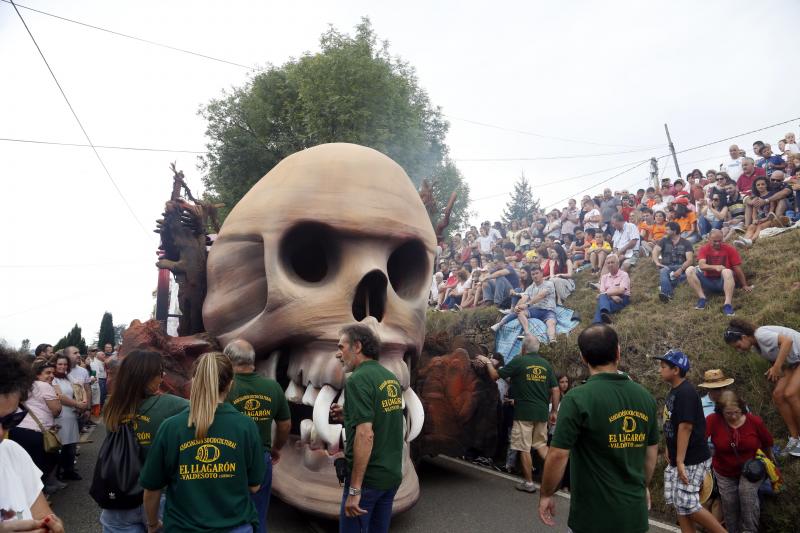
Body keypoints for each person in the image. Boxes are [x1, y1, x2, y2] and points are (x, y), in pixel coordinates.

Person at [538, 324, 659, 532]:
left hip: (592, 519)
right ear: (618, 352)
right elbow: (650, 455)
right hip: (634, 517)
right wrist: (642, 486)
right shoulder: (645, 398)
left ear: (583, 357)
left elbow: (558, 454)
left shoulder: (577, 398)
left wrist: (547, 494)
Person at [139, 353, 265, 533]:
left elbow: (152, 489)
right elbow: (254, 486)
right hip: (235, 526)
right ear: (230, 384)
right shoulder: (246, 426)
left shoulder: (171, 427)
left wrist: (152, 525)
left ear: (194, 381)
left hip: (182, 528)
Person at [99, 350, 189, 533]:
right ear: (147, 377)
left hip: (119, 496)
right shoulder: (175, 405)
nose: (162, 377)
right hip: (160, 496)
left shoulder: (111, 407)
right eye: (160, 373)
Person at [332, 324, 404, 533]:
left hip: (368, 483)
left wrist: (355, 490)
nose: (338, 354)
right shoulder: (389, 378)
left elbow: (365, 434)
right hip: (390, 477)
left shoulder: (357, 380)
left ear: (357, 346)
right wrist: (348, 416)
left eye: (341, 346)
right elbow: (381, 419)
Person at [477, 336, 559, 493]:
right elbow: (555, 389)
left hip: (524, 413)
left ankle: (528, 483)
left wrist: (487, 362)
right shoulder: (546, 365)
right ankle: (555, 479)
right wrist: (554, 411)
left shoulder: (519, 361)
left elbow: (495, 376)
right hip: (541, 413)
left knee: (524, 447)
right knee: (541, 446)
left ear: (523, 349)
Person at [225, 340, 291, 533]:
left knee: (227, 514)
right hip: (260, 457)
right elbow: (285, 424)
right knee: (259, 513)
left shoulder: (225, 388)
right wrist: (277, 448)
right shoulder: (273, 387)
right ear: (252, 361)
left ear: (228, 360)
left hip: (228, 457)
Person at [654, 350, 723, 533]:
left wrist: (680, 460)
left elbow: (686, 427)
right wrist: (670, 448)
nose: (659, 370)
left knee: (689, 504)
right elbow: (672, 423)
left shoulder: (685, 392)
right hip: (681, 456)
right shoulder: (674, 391)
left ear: (675, 369)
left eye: (663, 367)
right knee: (680, 504)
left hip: (692, 457)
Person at [0, 347, 65, 532]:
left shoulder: (12, 452)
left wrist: (52, 527)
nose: (1, 434)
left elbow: (42, 516)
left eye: (10, 420)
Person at [724, 319, 800, 457]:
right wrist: (774, 370)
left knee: (790, 394)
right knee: (778, 395)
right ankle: (795, 439)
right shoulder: (755, 346)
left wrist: (776, 367)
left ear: (744, 337)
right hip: (792, 363)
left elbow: (787, 341)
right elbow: (776, 356)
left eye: (738, 346)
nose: (739, 350)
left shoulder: (760, 335)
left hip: (797, 359)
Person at [705, 391, 774, 533]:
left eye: (736, 412)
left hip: (751, 469)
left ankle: (749, 530)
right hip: (724, 470)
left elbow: (767, 443)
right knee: (730, 505)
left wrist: (770, 461)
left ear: (742, 408)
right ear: (720, 411)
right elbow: (699, 440)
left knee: (746, 496)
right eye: (728, 413)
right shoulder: (713, 420)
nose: (733, 416)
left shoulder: (754, 421)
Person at [9, 358, 62, 493]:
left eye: (52, 373)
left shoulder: (23, 385)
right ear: (38, 374)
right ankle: (38, 500)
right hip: (35, 433)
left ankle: (27, 497)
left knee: (23, 468)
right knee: (41, 466)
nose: (51, 375)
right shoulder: (44, 386)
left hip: (17, 431)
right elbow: (56, 410)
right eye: (47, 373)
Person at [685, 229, 752, 317]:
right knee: (689, 270)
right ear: (709, 239)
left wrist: (744, 285)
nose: (717, 243)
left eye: (720, 241)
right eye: (715, 241)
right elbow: (701, 265)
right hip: (708, 281)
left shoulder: (730, 249)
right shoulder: (704, 249)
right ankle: (702, 298)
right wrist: (715, 267)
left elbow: (737, 268)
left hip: (723, 282)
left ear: (723, 239)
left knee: (727, 271)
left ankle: (727, 304)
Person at [492, 266, 558, 344]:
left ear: (541, 274)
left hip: (548, 310)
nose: (535, 276)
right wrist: (517, 306)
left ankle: (552, 340)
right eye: (533, 274)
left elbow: (541, 295)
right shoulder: (530, 287)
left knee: (551, 323)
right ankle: (527, 333)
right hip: (536, 310)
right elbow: (524, 298)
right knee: (520, 312)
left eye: (537, 273)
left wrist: (527, 304)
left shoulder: (549, 283)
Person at [51, 353, 87, 481]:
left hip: (71, 415)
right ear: (54, 364)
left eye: (65, 364)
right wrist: (78, 404)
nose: (63, 366)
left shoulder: (68, 377)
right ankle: (57, 474)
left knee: (71, 446)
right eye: (60, 364)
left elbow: (80, 388)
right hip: (59, 416)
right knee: (59, 446)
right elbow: (60, 396)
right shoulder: (52, 379)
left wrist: (83, 402)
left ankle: (69, 471)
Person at [652, 221, 694, 303]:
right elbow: (655, 251)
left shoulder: (686, 243)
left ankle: (665, 288)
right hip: (667, 267)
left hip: (680, 266)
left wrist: (681, 269)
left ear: (674, 231)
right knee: (664, 270)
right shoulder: (664, 240)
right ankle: (668, 293)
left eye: (667, 230)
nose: (665, 231)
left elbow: (690, 260)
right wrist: (657, 262)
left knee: (689, 274)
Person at [592, 254, 630, 324]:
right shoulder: (604, 277)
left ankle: (597, 324)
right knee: (603, 299)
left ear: (618, 264)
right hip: (608, 298)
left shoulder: (624, 275)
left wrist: (606, 294)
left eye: (612, 262)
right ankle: (605, 314)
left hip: (622, 298)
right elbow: (602, 291)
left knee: (601, 302)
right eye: (608, 263)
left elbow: (621, 290)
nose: (610, 264)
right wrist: (612, 296)